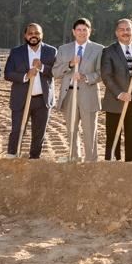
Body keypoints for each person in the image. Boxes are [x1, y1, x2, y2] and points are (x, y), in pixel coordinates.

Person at [52, 18, 104, 162]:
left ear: (90, 31)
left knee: (89, 130)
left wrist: (85, 77)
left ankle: (91, 159)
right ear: (74, 32)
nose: (82, 32)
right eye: (79, 30)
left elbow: (102, 73)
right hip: (69, 94)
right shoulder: (64, 49)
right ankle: (74, 157)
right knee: (71, 129)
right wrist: (69, 64)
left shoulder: (99, 49)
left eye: (85, 30)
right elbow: (55, 72)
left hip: (88, 94)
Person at [3, 23, 57, 159]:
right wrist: (26, 76)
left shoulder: (51, 51)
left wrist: (43, 67)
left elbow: (57, 72)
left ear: (42, 35)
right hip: (21, 99)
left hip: (42, 100)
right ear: (25, 35)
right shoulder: (16, 52)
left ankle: (34, 158)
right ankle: (12, 157)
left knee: (39, 133)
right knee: (17, 130)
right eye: (30, 33)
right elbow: (8, 73)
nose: (34, 35)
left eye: (37, 33)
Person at [100, 18, 132, 161]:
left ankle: (131, 165)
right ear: (116, 33)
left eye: (128, 29)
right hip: (115, 101)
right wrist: (120, 93)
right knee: (113, 135)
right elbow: (106, 75)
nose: (125, 32)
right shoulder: (109, 51)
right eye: (122, 29)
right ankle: (112, 166)